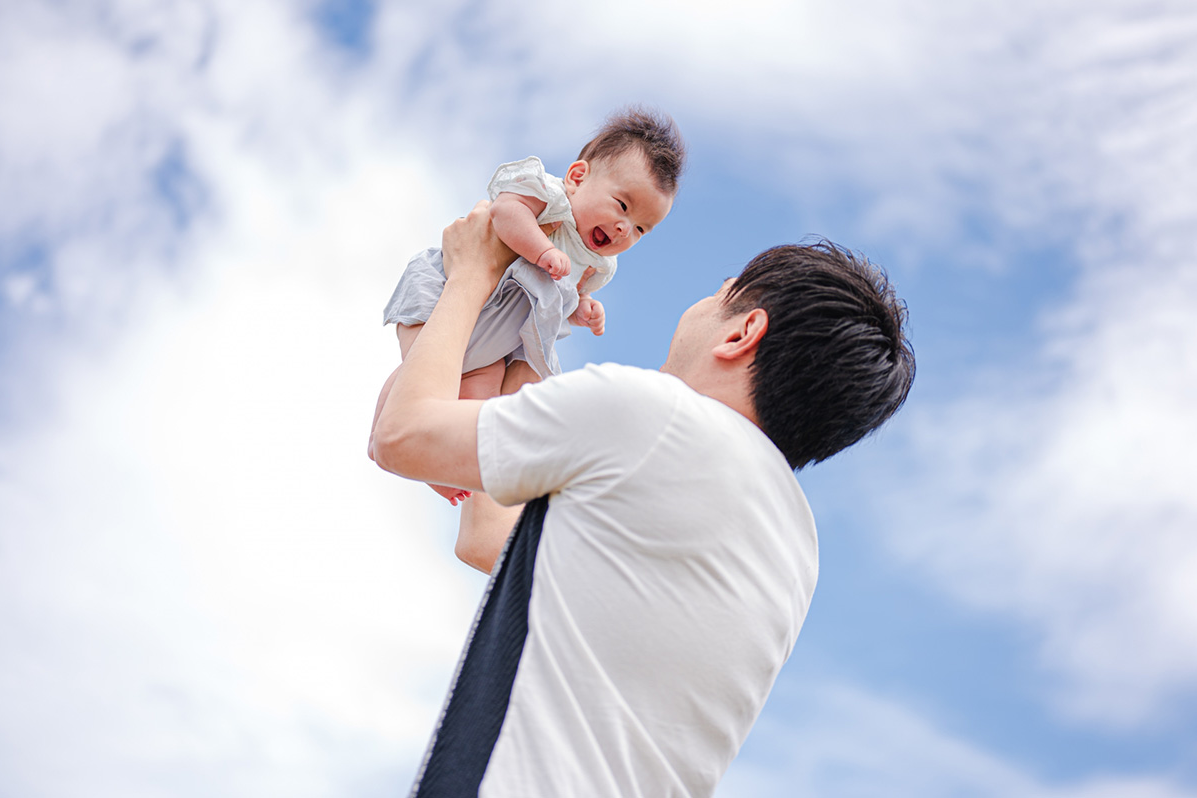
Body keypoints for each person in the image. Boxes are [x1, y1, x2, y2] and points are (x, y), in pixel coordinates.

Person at [369, 204, 915, 797]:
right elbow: (490, 541)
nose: (699, 306)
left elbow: (401, 435)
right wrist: (523, 336)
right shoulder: (795, 552)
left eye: (720, 293)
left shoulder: (653, 415)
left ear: (742, 333)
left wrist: (472, 274)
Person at [373, 107, 685, 504]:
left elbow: (562, 297)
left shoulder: (598, 264)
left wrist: (583, 309)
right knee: (423, 362)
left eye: (641, 228)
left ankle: (438, 465)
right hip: (447, 294)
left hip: (496, 339)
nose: (626, 229)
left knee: (478, 401)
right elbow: (506, 212)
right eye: (623, 206)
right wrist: (541, 250)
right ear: (577, 178)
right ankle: (383, 432)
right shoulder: (551, 197)